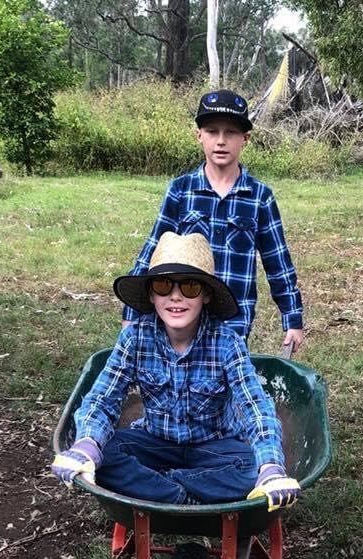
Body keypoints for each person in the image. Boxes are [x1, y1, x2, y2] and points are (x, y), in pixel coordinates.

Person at [52, 231, 300, 510]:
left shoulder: (227, 341)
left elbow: (255, 405)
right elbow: (103, 397)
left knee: (250, 468)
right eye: (163, 285)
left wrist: (270, 466)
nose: (176, 297)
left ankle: (156, 488)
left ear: (206, 294)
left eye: (190, 287)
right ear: (151, 294)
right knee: (103, 452)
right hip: (154, 441)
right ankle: (186, 495)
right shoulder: (135, 337)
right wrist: (87, 443)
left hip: (214, 447)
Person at [121, 88, 305, 354]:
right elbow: (152, 251)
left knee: (227, 390)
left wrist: (292, 318)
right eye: (212, 131)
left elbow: (278, 263)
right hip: (184, 317)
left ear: (245, 139)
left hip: (234, 324)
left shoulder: (259, 197)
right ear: (199, 136)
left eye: (230, 132)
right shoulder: (181, 191)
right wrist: (132, 311)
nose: (221, 141)